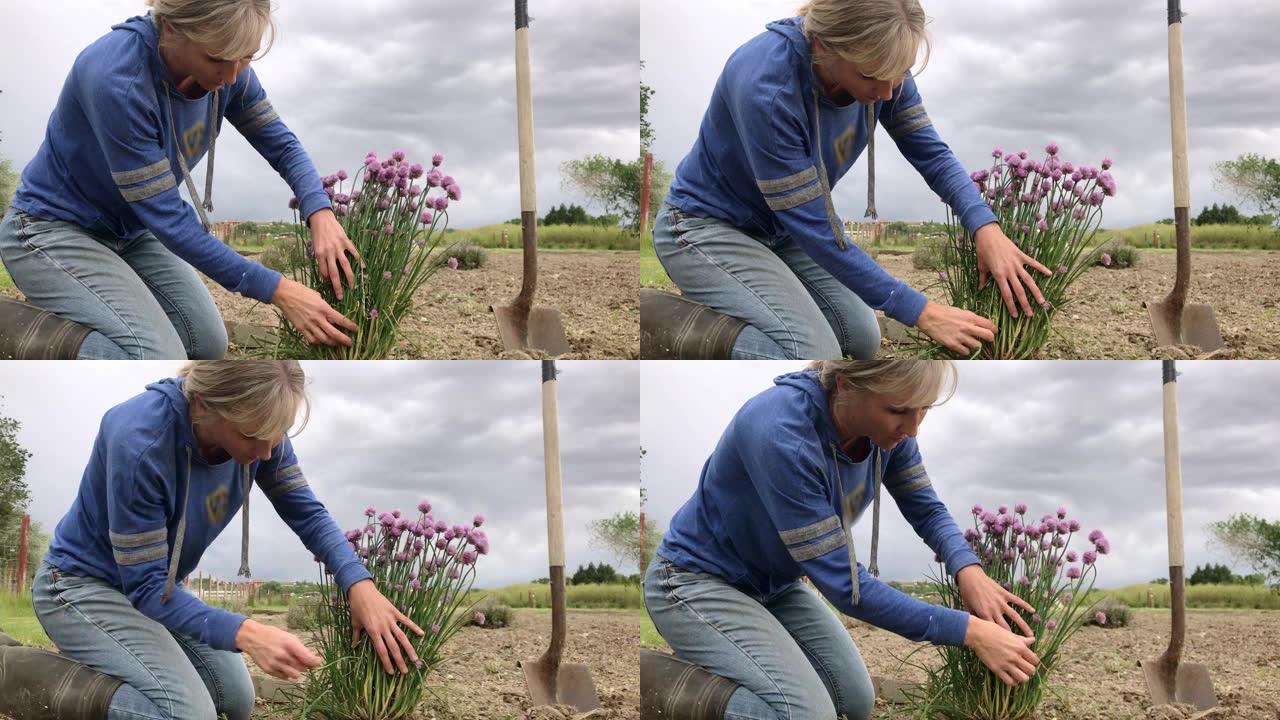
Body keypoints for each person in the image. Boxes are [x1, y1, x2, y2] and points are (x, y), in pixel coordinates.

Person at [0, 361, 421, 720]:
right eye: (254, 438)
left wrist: (358, 582)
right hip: (79, 585)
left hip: (154, 589)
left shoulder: (263, 434)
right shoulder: (140, 440)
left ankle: (114, 663)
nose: (268, 453)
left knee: (237, 699)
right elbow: (145, 587)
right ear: (204, 406)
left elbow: (306, 512)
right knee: (189, 714)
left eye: (276, 437)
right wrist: (249, 632)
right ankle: (21, 672)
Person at [653, 0, 1051, 359]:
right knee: (810, 351)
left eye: (898, 76)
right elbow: (818, 231)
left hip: (780, 233)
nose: (889, 92)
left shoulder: (885, 71)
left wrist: (985, 227)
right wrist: (923, 312)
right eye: (873, 77)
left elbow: (931, 154)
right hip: (704, 226)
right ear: (825, 47)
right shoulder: (766, 87)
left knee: (862, 340)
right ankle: (667, 324)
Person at [644, 360, 1040, 720]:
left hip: (774, 586)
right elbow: (847, 588)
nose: (913, 427)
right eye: (899, 410)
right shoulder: (780, 433)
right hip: (694, 580)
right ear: (848, 385)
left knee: (854, 700)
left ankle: (729, 661)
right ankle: (662, 684)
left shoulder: (890, 439)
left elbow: (926, 508)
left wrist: (966, 568)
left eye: (923, 409)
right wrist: (970, 631)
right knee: (806, 716)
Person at [0, 0, 361, 360]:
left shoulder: (230, 70)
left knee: (207, 344)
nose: (233, 75)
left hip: (131, 230)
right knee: (152, 356)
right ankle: (17, 330)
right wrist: (279, 289)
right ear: (172, 27)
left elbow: (282, 145)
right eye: (218, 58)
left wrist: (320, 211)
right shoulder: (117, 79)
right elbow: (169, 219)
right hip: (50, 227)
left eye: (246, 57)